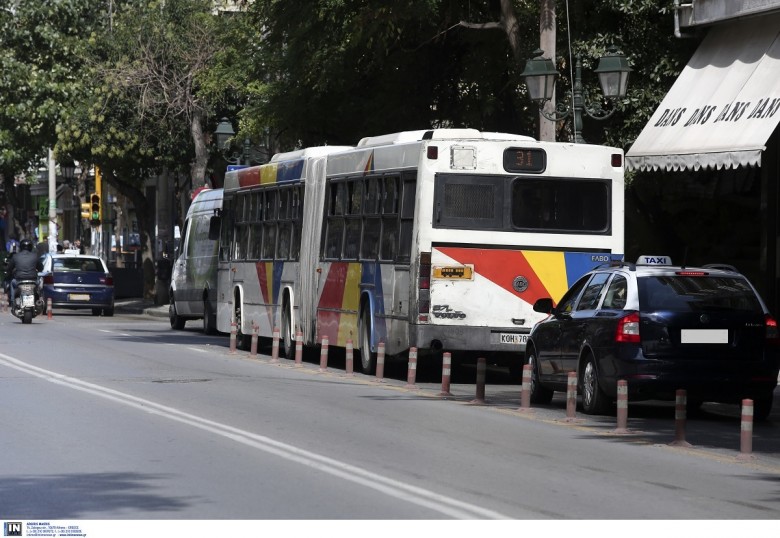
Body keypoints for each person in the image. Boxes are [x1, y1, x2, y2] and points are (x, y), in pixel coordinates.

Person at [6, 238, 41, 308]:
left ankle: (12, 301)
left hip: (19, 281)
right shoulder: (35, 256)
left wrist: (9, 273)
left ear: (21, 247)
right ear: (31, 247)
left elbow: (9, 268)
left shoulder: (15, 256)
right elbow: (41, 268)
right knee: (40, 286)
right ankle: (39, 300)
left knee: (12, 283)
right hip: (33, 281)